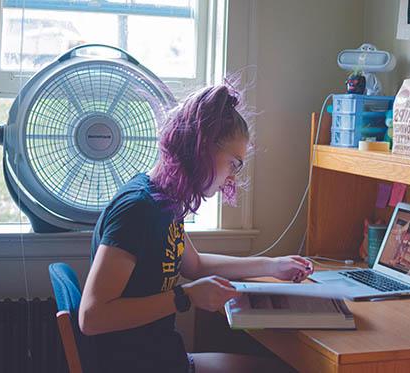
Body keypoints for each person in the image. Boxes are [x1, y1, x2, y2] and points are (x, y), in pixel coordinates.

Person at [79, 85, 313, 373]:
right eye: (233, 164)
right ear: (203, 148)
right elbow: (92, 317)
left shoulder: (164, 202)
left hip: (166, 359)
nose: (232, 178)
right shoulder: (138, 210)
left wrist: (272, 265)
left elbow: (196, 264)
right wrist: (184, 297)